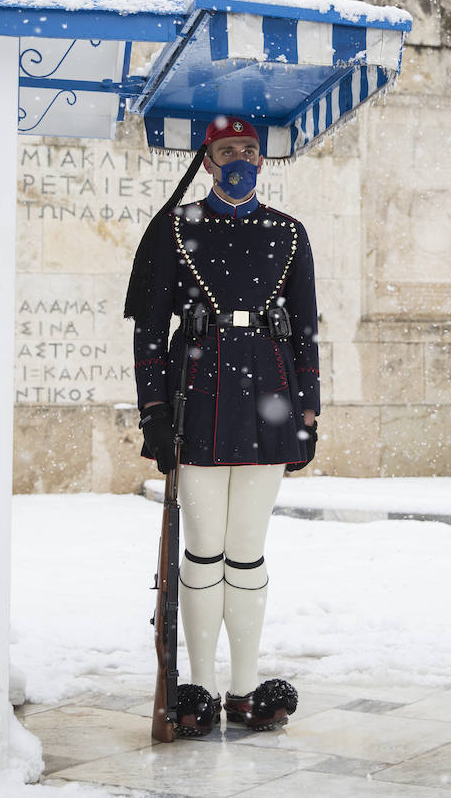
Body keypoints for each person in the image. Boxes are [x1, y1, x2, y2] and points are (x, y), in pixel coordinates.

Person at [125, 116, 318, 737]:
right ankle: (200, 686)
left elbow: (308, 330)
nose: (240, 158)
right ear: (207, 160)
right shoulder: (177, 229)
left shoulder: (288, 233)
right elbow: (150, 331)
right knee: (204, 550)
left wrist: (309, 410)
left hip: (269, 388)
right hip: (199, 391)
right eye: (227, 149)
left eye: (250, 150)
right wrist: (154, 411)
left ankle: (244, 685)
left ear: (263, 161)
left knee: (249, 548)